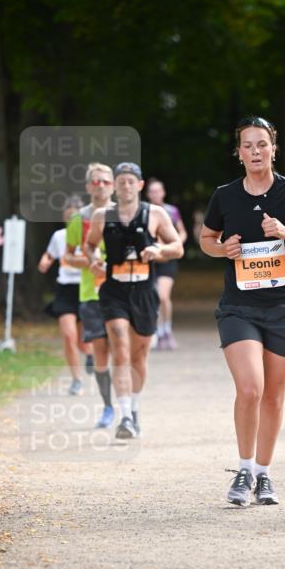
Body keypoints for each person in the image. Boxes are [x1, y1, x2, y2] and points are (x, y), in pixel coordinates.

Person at [199, 115, 285, 507]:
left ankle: (264, 475)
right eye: (247, 146)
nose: (255, 151)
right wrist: (224, 249)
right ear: (239, 153)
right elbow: (206, 239)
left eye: (262, 144)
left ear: (274, 148)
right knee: (250, 387)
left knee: (273, 396)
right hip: (240, 306)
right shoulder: (225, 195)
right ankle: (243, 467)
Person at [84, 162, 183, 439]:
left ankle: (135, 409)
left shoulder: (155, 214)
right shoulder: (103, 216)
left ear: (139, 185)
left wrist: (158, 248)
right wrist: (93, 261)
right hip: (114, 289)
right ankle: (124, 415)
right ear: (115, 186)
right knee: (120, 347)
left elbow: (177, 247)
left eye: (131, 181)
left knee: (139, 356)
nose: (125, 186)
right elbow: (90, 245)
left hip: (144, 290)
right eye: (121, 181)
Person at [65, 162, 116, 427]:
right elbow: (68, 256)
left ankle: (130, 407)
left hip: (122, 292)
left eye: (105, 181)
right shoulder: (79, 218)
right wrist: (89, 263)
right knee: (100, 352)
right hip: (91, 293)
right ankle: (108, 407)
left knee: (124, 351)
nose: (101, 185)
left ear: (114, 185)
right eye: (95, 181)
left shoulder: (126, 214)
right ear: (88, 187)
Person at [38, 196, 92, 394]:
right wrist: (45, 261)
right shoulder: (59, 236)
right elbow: (49, 254)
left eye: (75, 217)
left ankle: (90, 355)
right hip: (65, 289)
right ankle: (76, 380)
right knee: (69, 337)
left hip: (85, 288)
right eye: (68, 217)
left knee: (83, 340)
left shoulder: (89, 234)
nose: (72, 222)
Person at [144, 177, 188, 350]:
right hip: (151, 259)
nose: (155, 194)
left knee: (163, 296)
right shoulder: (144, 211)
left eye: (158, 190)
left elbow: (182, 232)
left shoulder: (172, 211)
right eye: (152, 191)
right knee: (152, 297)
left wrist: (176, 244)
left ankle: (166, 329)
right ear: (148, 194)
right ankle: (155, 331)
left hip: (167, 259)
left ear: (163, 192)